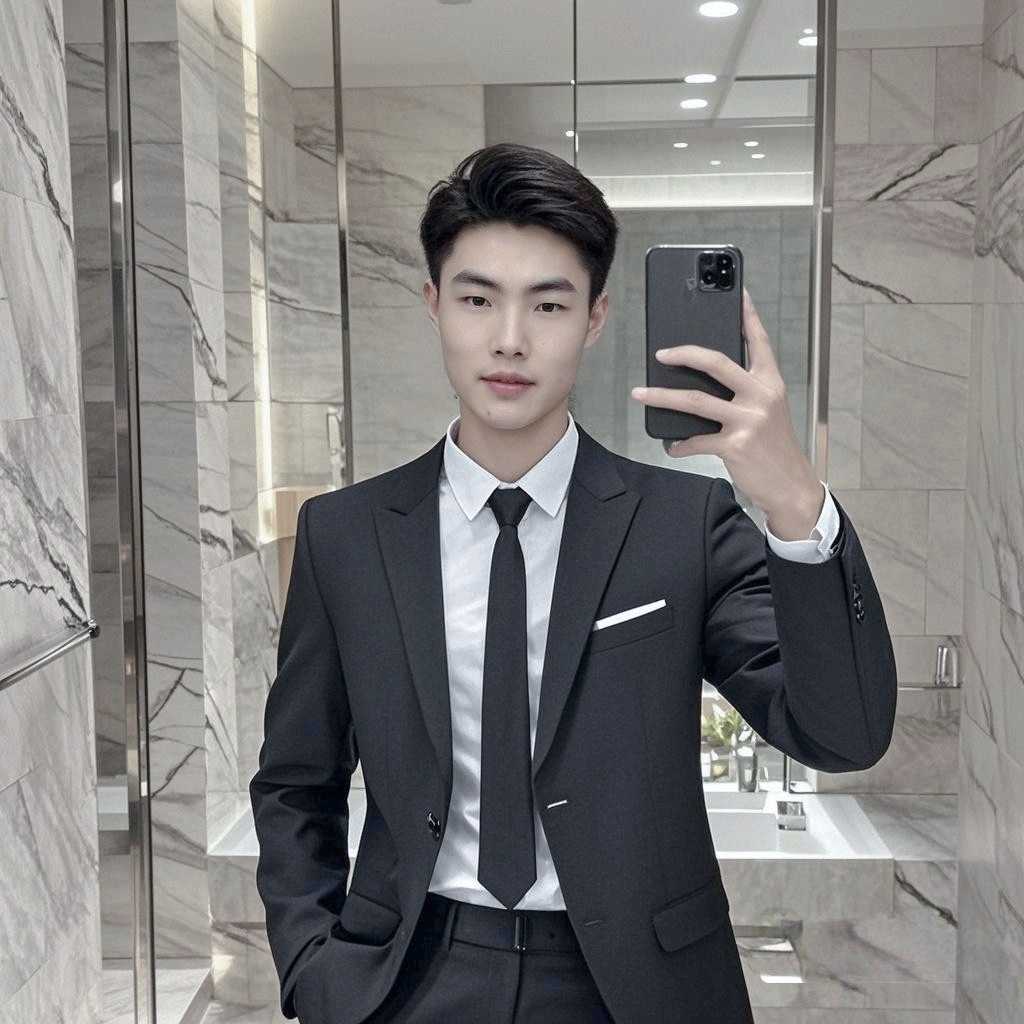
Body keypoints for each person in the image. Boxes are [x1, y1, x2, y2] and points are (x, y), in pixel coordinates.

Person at [249, 142, 898, 1023]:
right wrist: (312, 971)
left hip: (633, 989)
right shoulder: (346, 535)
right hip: (408, 977)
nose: (510, 339)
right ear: (434, 302)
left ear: (594, 318)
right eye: (478, 298)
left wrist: (792, 497)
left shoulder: (684, 526)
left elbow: (843, 734)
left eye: (548, 304)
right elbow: (297, 781)